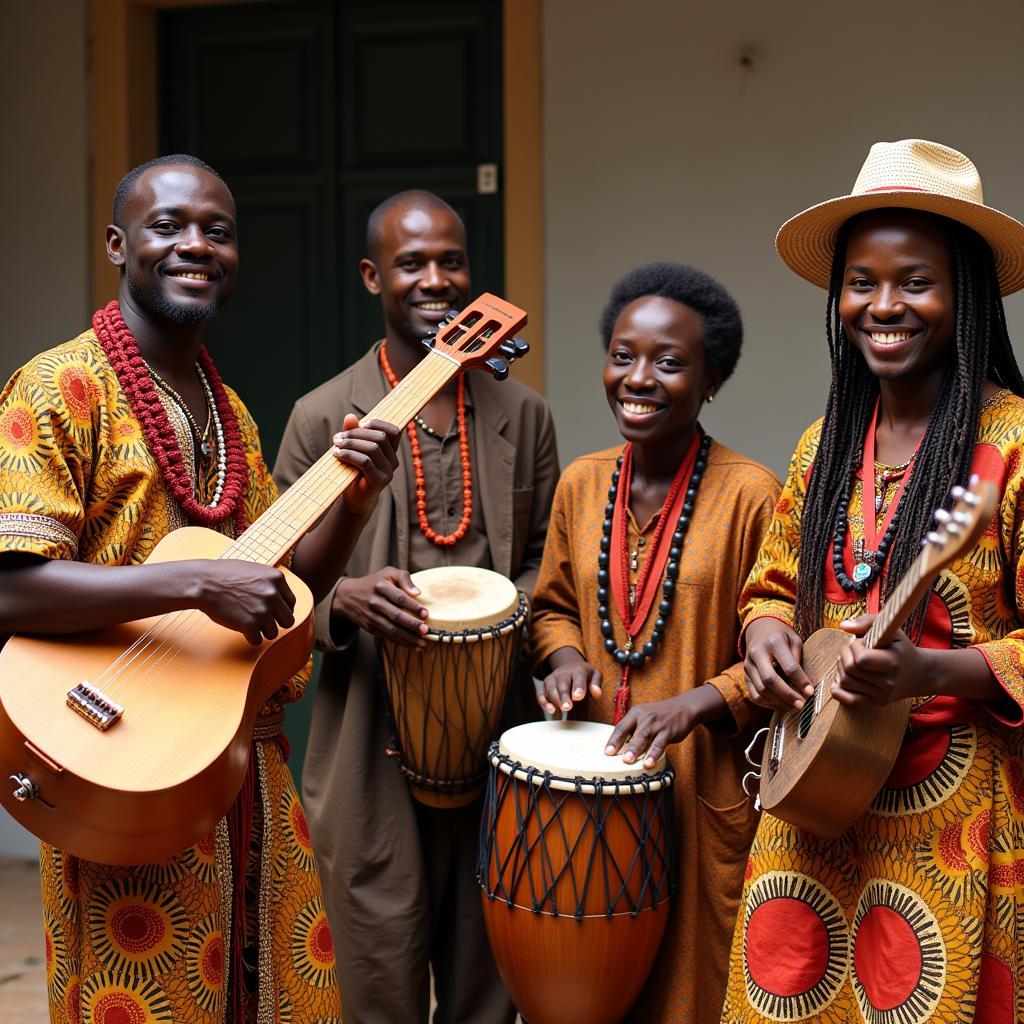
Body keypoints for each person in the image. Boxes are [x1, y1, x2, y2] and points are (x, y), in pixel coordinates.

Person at [0, 154, 402, 1023]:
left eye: (217, 232)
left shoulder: (232, 414)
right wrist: (190, 586)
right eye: (169, 226)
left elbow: (277, 596)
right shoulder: (57, 388)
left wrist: (355, 501)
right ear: (117, 243)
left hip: (242, 763)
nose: (196, 245)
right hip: (120, 763)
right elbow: (11, 586)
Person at [722, 140, 1024, 1023]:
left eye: (915, 281)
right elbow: (772, 584)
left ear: (963, 294)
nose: (883, 305)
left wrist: (934, 672)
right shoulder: (824, 446)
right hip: (808, 819)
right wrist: (766, 634)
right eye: (862, 281)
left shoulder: (1011, 450)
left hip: (949, 827)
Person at [272, 189, 559, 1023]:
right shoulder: (321, 416)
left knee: (487, 979)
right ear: (372, 276)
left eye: (453, 261)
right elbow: (276, 582)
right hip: (368, 740)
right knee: (375, 977)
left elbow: (549, 557)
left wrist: (507, 611)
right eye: (412, 263)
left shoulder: (525, 414)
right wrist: (347, 599)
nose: (436, 278)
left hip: (496, 731)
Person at [530, 262, 780, 1022]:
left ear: (712, 381)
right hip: (589, 800)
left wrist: (696, 705)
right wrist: (566, 660)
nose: (637, 378)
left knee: (692, 995)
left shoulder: (753, 495)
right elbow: (553, 608)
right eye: (622, 355)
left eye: (669, 363)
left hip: (703, 802)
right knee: (592, 989)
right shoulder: (581, 483)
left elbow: (783, 653)